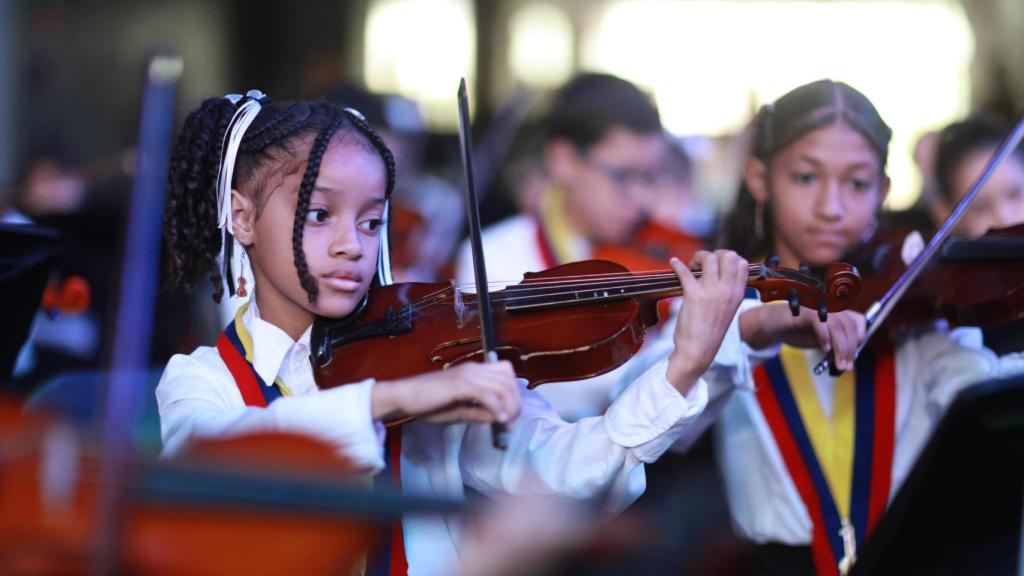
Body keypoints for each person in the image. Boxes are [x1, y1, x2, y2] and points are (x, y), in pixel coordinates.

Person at [155, 91, 749, 575]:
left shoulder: (430, 354)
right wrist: (395, 400)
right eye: (319, 214)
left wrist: (682, 369)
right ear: (242, 215)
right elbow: (219, 465)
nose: (351, 245)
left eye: (371, 221)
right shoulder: (201, 380)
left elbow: (565, 477)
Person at [707, 80, 1000, 575]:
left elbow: (974, 382)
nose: (831, 207)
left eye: (857, 183)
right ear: (759, 178)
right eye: (805, 178)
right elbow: (663, 410)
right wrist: (755, 327)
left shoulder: (910, 301)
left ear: (883, 190)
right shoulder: (719, 298)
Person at [455, 72, 705, 420]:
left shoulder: (666, 245)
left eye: (650, 176)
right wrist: (684, 352)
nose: (643, 199)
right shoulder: (494, 257)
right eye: (623, 176)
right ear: (564, 161)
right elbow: (561, 397)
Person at [929, 114, 1024, 366]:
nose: (1004, 218)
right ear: (946, 215)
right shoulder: (956, 322)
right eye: (980, 207)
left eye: (1016, 194)